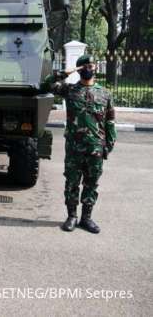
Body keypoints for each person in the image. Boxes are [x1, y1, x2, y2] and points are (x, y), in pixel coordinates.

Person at [42, 54, 117, 234]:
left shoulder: (105, 93)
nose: (89, 69)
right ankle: (72, 216)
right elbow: (46, 85)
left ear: (96, 68)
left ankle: (86, 218)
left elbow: (110, 122)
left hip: (95, 148)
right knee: (72, 183)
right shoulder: (69, 90)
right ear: (79, 69)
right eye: (84, 66)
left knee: (91, 183)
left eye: (91, 65)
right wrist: (63, 74)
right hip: (74, 148)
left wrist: (108, 146)